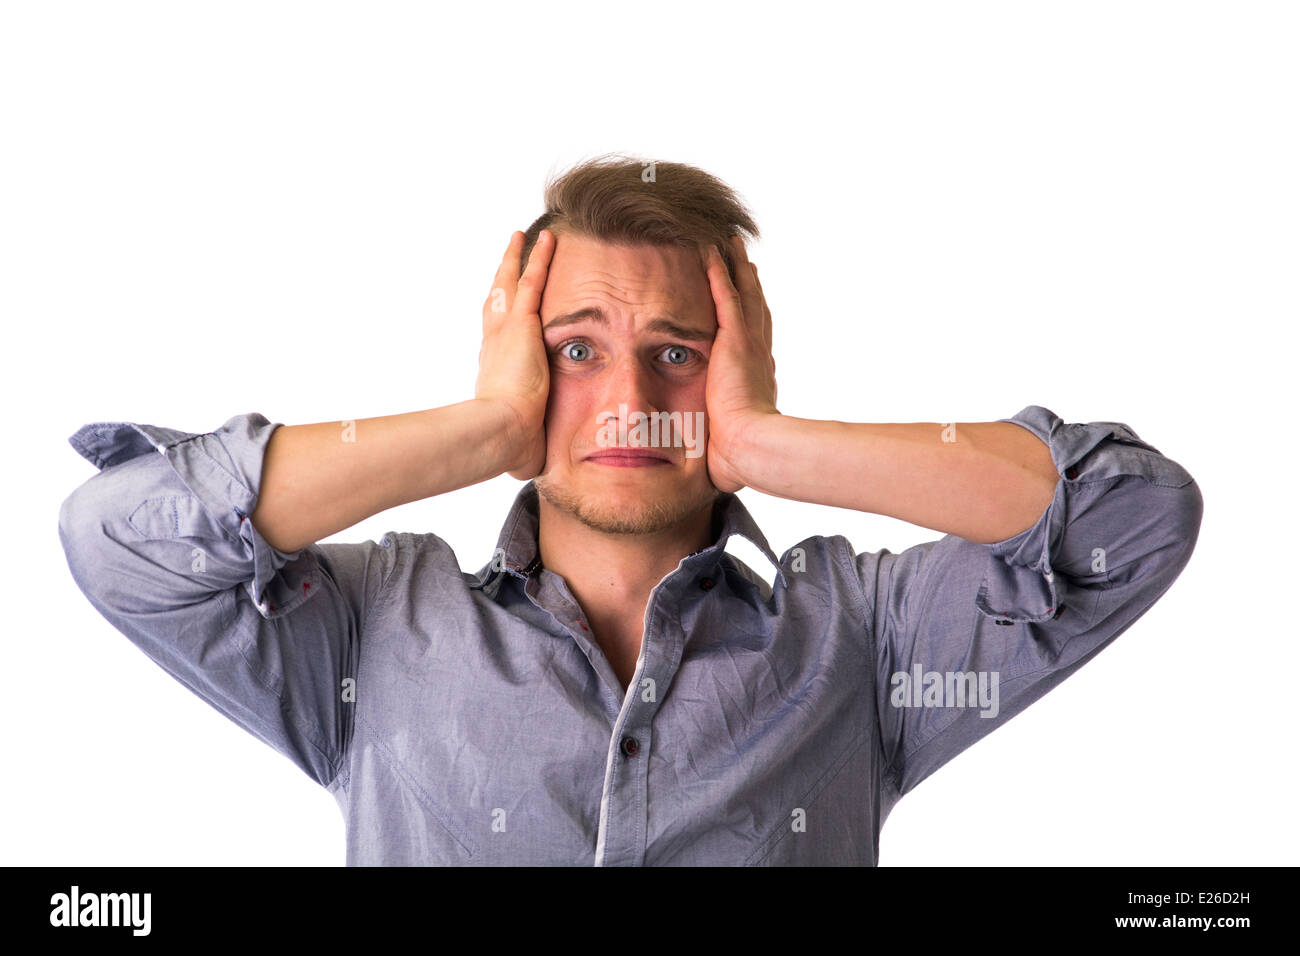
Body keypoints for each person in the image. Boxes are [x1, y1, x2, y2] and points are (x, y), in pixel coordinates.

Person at [57, 155, 1203, 865]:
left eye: (676, 352)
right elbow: (119, 535)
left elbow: (1132, 515)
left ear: (737, 365)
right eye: (574, 350)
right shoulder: (366, 627)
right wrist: (487, 430)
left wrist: (765, 444)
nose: (628, 401)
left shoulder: (863, 635)